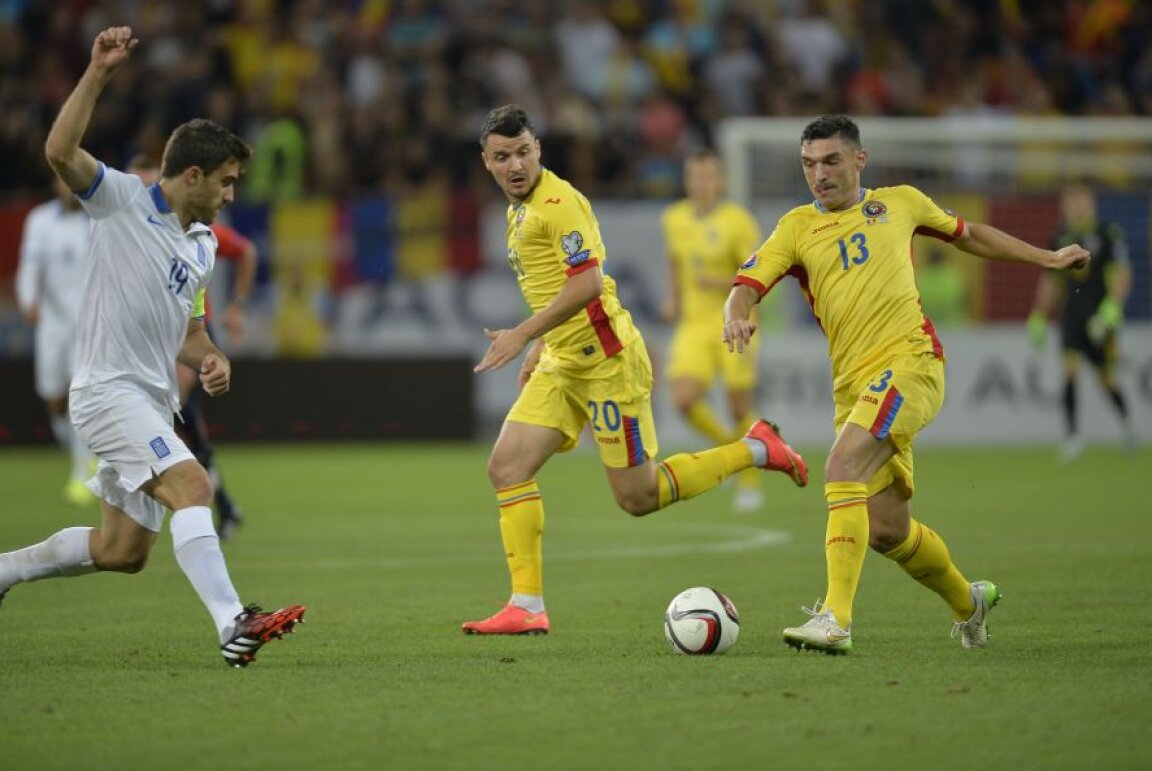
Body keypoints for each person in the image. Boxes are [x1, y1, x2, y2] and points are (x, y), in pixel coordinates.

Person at [0, 27, 303, 667]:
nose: (231, 195)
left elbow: (189, 333)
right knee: (194, 487)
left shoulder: (200, 245)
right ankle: (233, 623)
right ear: (191, 174)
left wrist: (212, 357)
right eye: (225, 182)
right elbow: (60, 150)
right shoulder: (121, 202)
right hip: (107, 391)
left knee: (124, 551)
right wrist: (98, 73)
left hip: (150, 397)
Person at [723, 115, 1090, 654]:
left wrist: (1047, 257)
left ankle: (835, 619)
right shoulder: (796, 228)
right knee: (889, 530)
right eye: (808, 164)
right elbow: (745, 284)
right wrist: (736, 314)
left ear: (858, 160)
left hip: (912, 363)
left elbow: (970, 235)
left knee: (841, 465)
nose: (818, 174)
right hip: (853, 386)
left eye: (830, 161)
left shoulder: (901, 202)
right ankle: (970, 601)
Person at [462, 105, 808, 636]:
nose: (515, 165)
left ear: (539, 152)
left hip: (607, 364)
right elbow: (551, 284)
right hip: (561, 362)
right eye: (502, 157)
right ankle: (527, 605)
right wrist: (541, 345)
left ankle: (757, 448)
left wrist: (523, 334)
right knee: (506, 467)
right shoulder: (518, 211)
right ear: (485, 162)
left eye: (524, 153)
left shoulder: (559, 204)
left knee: (637, 498)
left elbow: (587, 285)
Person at [128, 153, 257, 538]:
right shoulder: (125, 232)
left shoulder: (196, 231)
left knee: (175, 412)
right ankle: (224, 506)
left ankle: (194, 506)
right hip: (153, 343)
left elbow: (247, 251)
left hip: (191, 338)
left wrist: (237, 307)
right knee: (184, 427)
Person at [661, 148, 766, 511]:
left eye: (707, 176)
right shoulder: (674, 218)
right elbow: (675, 261)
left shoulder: (738, 221)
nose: (700, 184)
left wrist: (720, 280)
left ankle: (750, 479)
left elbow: (757, 273)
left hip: (735, 321)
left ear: (720, 181)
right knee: (683, 399)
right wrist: (673, 298)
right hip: (693, 324)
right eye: (694, 176)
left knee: (739, 407)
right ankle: (734, 453)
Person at [1027, 183, 1136, 460]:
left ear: (1091, 203)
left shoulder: (1107, 233)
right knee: (1069, 372)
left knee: (1106, 379)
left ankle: (1127, 426)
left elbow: (1122, 272)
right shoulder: (1060, 237)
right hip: (1072, 316)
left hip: (1099, 316)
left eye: (1080, 201)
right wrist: (1039, 313)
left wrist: (1112, 307)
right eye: (1069, 201)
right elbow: (1051, 280)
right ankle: (1073, 437)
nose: (1074, 206)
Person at [15, 176, 94, 505]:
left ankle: (82, 471)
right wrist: (27, 301)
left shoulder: (98, 218)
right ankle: (77, 449)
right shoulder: (40, 220)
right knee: (53, 397)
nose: (68, 187)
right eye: (62, 182)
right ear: (54, 185)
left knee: (79, 396)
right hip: (51, 322)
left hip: (88, 324)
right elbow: (29, 266)